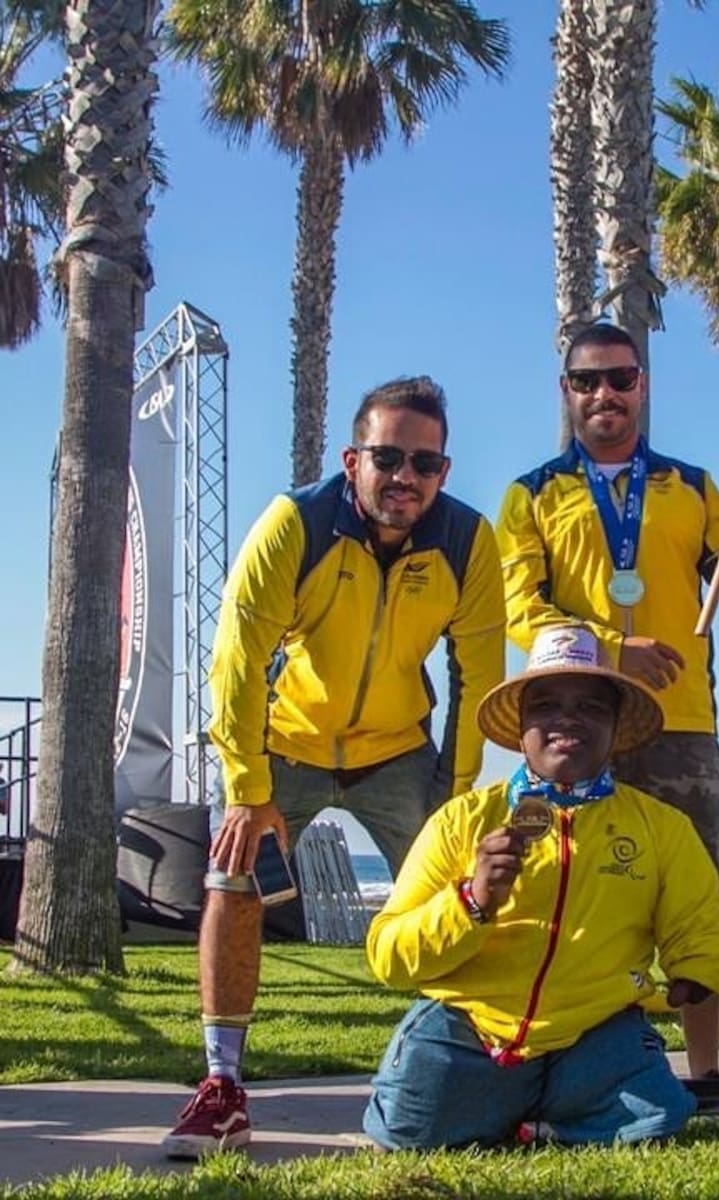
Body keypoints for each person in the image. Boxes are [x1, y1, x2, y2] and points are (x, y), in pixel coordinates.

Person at [162, 376, 506, 1158]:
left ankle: (486, 1075)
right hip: (288, 743)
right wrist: (249, 791)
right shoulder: (296, 523)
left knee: (465, 894)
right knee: (233, 875)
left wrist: (454, 798)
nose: (405, 477)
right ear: (353, 459)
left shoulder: (466, 542)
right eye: (388, 457)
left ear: (443, 473)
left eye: (424, 463)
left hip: (399, 752)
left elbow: (478, 677)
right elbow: (238, 660)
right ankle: (221, 1086)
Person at [495, 323, 719, 1086]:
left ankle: (708, 1071)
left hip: (682, 727)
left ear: (642, 386)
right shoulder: (532, 495)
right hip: (572, 723)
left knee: (693, 900)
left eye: (619, 379)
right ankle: (556, 1058)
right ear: (567, 392)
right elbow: (519, 609)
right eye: (586, 381)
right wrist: (612, 654)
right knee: (562, 893)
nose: (604, 395)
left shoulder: (692, 487)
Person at [362, 624, 719, 1150]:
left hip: (596, 1031)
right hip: (474, 1030)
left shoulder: (661, 828)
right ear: (520, 726)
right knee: (408, 1132)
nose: (568, 720)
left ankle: (534, 1116)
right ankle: (530, 1113)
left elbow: (696, 933)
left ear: (616, 725)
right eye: (546, 705)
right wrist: (470, 901)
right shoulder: (460, 820)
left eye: (592, 708)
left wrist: (695, 973)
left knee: (659, 1119)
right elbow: (388, 956)